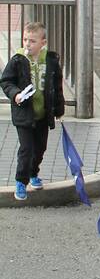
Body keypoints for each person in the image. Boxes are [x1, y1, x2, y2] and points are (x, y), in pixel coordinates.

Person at [1, 19, 65, 202]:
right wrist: (15, 94)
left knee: (40, 148)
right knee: (26, 149)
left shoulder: (51, 61)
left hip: (43, 115)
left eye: (32, 41)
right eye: (25, 40)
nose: (27, 44)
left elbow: (56, 86)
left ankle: (33, 173)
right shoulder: (18, 60)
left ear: (43, 43)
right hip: (24, 114)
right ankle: (21, 181)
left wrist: (58, 109)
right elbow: (6, 81)